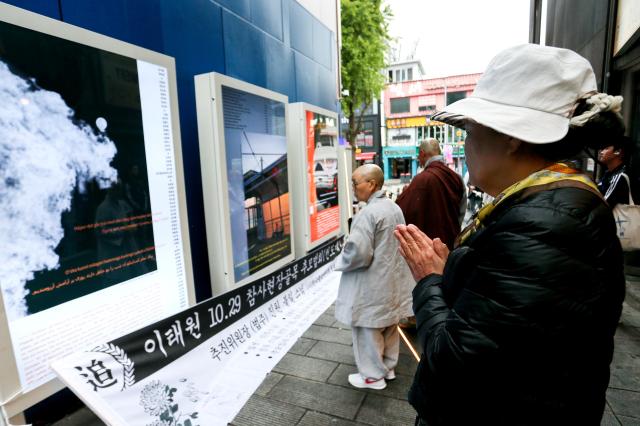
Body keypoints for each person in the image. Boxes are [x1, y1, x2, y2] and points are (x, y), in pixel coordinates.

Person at [394, 44, 625, 425]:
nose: (466, 145)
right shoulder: (553, 207)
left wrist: (430, 282)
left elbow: (453, 368)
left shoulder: (544, 224)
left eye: (469, 131)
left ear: (511, 136)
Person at [334, 164, 413, 390]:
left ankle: (371, 377)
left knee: (366, 330)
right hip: (391, 281)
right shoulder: (394, 207)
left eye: (355, 183)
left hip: (371, 283)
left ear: (371, 184)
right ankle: (387, 368)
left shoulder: (368, 213)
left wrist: (339, 261)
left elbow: (358, 253)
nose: (353, 187)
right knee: (388, 326)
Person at [396, 139, 466, 250]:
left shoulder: (421, 180)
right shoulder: (457, 178)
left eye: (418, 156)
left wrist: (406, 194)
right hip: (451, 244)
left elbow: (402, 211)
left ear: (422, 154)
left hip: (428, 248)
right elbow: (461, 214)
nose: (418, 160)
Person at [598, 138, 631, 208]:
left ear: (617, 152)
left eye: (606, 148)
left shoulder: (621, 176)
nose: (601, 152)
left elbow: (604, 204)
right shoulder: (608, 174)